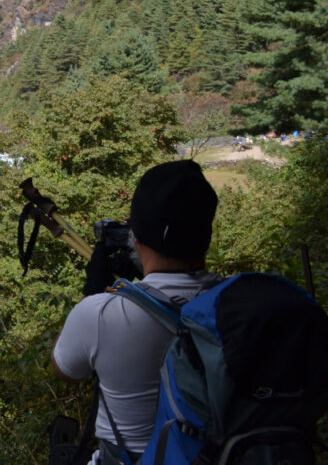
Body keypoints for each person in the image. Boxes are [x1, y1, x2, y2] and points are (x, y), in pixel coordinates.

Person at [51, 160, 222, 464]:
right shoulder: (236, 306)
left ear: (135, 236)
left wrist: (95, 294)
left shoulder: (100, 315)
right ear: (205, 235)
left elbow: (65, 369)